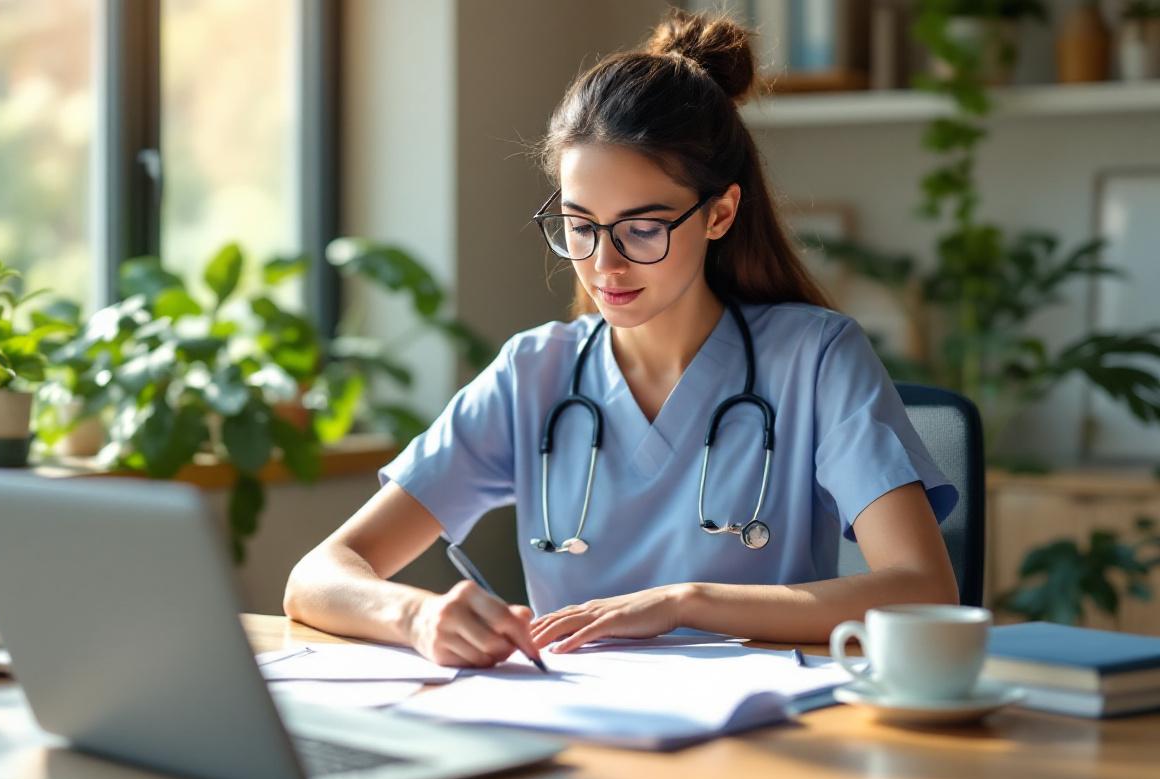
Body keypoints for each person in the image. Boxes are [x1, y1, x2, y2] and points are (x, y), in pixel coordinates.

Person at [284, 9, 959, 668]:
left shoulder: (815, 359)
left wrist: (684, 602)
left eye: (642, 228)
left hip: (761, 740)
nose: (604, 263)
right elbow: (317, 577)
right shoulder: (533, 373)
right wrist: (417, 615)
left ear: (719, 213)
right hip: (581, 739)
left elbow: (922, 587)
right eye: (580, 224)